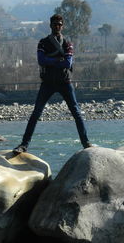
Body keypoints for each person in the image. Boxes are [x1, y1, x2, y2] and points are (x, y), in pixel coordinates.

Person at [13, 14, 92, 155]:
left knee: (77, 113)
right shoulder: (43, 43)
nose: (57, 26)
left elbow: (68, 63)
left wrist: (51, 59)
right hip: (48, 83)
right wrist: (58, 61)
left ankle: (86, 143)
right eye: (55, 24)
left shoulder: (67, 43)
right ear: (50, 25)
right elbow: (41, 60)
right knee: (35, 114)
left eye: (60, 24)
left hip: (64, 82)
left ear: (62, 26)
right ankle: (24, 145)